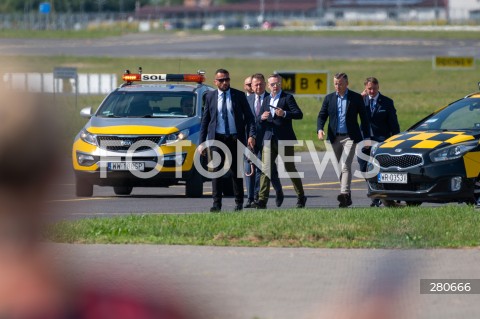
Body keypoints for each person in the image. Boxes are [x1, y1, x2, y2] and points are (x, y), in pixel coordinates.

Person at [198, 68, 256, 212]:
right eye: (222, 80)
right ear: (215, 82)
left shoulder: (239, 96)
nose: (225, 82)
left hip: (235, 138)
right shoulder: (210, 96)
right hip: (217, 138)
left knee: (236, 172)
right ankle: (216, 204)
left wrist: (251, 135)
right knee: (216, 172)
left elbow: (249, 118)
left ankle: (239, 203)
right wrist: (201, 143)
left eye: (227, 79)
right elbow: (205, 121)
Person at [317, 72, 371, 208]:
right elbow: (322, 115)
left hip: (350, 137)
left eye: (340, 83)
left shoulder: (356, 98)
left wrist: (367, 137)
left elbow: (364, 119)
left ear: (347, 84)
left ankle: (344, 194)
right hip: (334, 137)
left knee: (345, 165)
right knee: (339, 168)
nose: (338, 86)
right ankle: (348, 198)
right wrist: (320, 129)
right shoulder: (329, 98)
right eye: (335, 83)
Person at [253, 73, 307, 209]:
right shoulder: (266, 99)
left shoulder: (287, 98)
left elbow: (299, 114)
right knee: (265, 169)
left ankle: (301, 196)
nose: (274, 86)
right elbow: (258, 118)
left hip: (284, 139)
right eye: (272, 84)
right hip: (268, 138)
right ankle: (262, 200)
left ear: (281, 84)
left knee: (290, 168)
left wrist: (284, 114)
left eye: (277, 84)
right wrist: (262, 117)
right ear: (268, 85)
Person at [359, 77, 400, 207]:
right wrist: (360, 97)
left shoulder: (387, 102)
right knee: (364, 167)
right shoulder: (361, 101)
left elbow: (393, 123)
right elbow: (348, 110)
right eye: (369, 89)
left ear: (378, 87)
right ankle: (375, 192)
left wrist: (396, 139)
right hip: (364, 140)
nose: (372, 91)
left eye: (374, 89)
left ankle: (377, 197)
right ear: (365, 88)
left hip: (381, 140)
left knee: (379, 168)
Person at [244, 73, 283, 208]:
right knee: (252, 168)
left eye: (261, 84)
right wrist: (250, 136)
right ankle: (251, 197)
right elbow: (248, 121)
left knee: (262, 169)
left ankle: (257, 198)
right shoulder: (247, 100)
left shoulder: (270, 98)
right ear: (252, 86)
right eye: (256, 84)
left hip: (267, 139)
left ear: (265, 85)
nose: (258, 87)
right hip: (251, 139)